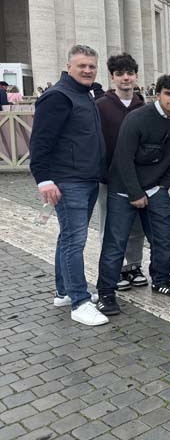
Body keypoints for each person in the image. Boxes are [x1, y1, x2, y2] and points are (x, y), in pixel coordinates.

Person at [95, 75, 170, 316]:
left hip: (156, 188)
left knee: (162, 239)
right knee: (115, 242)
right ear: (158, 93)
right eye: (169, 94)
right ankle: (106, 292)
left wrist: (162, 186)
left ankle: (160, 280)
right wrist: (135, 193)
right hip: (122, 188)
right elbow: (123, 158)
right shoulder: (137, 118)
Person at [30, 45, 107, 326]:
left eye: (92, 66)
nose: (88, 70)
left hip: (87, 178)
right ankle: (80, 301)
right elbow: (40, 141)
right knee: (75, 241)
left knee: (68, 238)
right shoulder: (57, 97)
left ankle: (64, 291)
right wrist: (44, 179)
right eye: (82, 66)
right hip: (68, 180)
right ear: (68, 66)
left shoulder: (83, 93)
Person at [95, 54, 146, 291]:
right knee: (110, 225)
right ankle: (113, 268)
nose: (126, 78)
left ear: (136, 76)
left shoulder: (142, 105)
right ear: (112, 77)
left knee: (136, 225)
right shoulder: (100, 106)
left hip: (137, 177)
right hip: (110, 177)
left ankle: (133, 265)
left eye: (130, 73)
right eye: (120, 74)